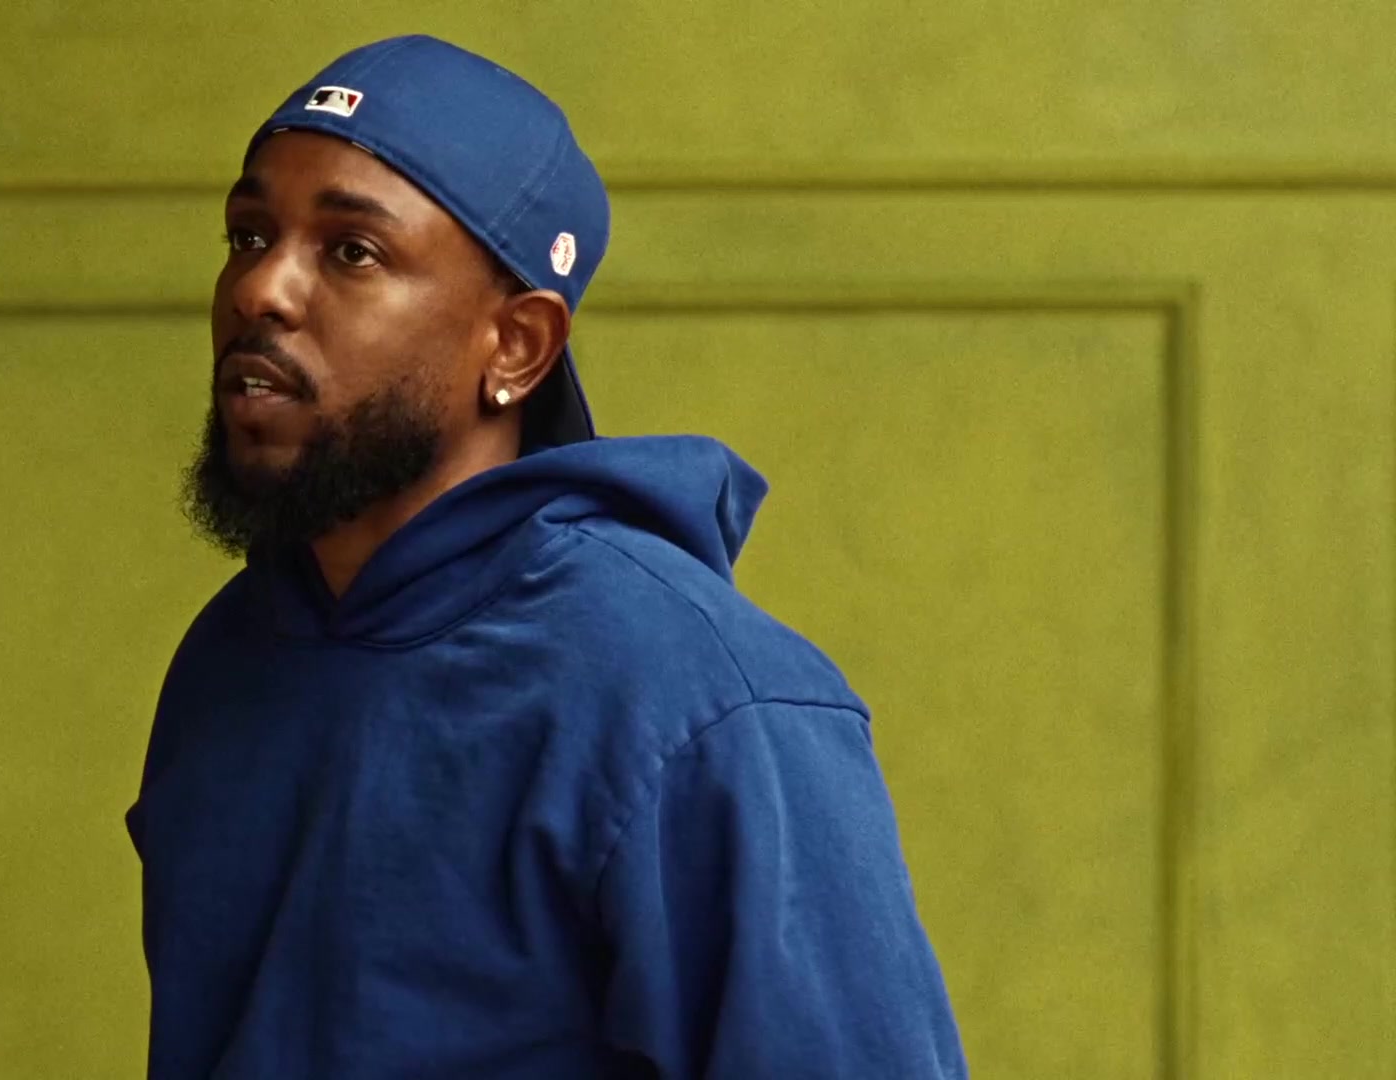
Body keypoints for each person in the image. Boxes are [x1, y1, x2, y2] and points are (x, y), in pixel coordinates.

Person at [126, 34, 967, 1079]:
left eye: (353, 252)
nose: (262, 290)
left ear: (517, 347)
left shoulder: (697, 699)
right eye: (249, 235)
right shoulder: (231, 658)